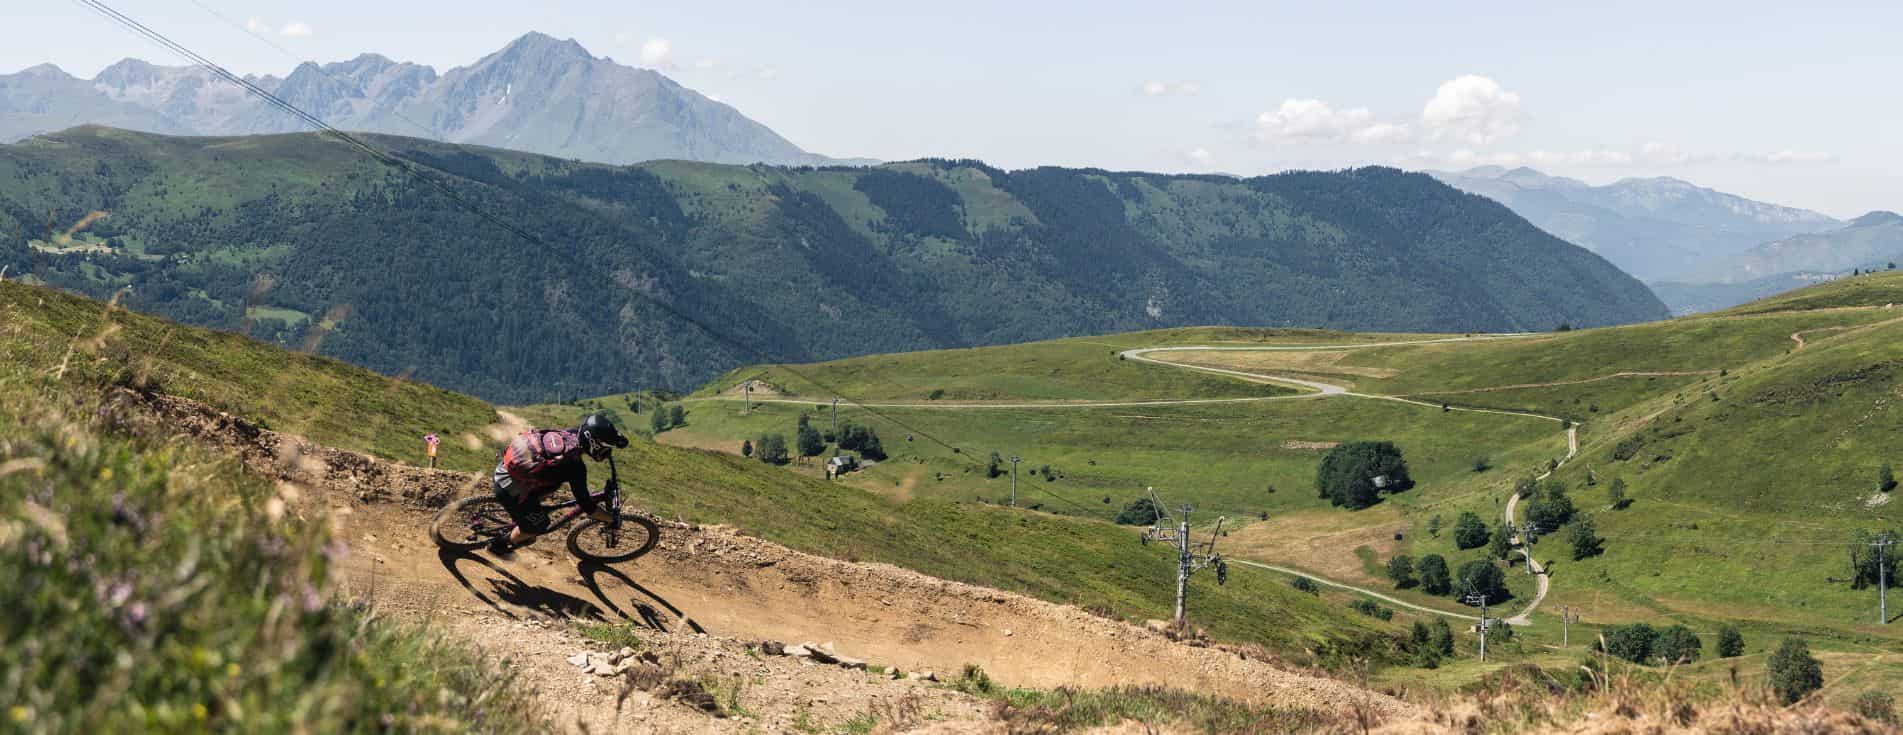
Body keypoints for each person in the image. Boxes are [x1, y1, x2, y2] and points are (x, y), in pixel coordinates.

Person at [487, 414, 629, 556]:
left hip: (504, 469)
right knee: (539, 526)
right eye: (604, 448)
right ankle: (499, 545)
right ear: (594, 443)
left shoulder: (571, 434)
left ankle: (527, 513)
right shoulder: (575, 468)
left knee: (553, 483)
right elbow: (588, 507)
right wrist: (611, 519)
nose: (606, 452)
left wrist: (617, 439)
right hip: (507, 488)